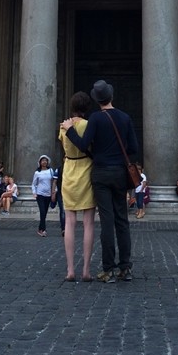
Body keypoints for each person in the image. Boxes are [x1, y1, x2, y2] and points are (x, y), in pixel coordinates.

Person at [61, 79, 138, 283]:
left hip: (101, 174)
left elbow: (84, 144)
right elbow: (133, 149)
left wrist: (69, 130)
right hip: (120, 173)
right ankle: (126, 268)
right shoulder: (124, 117)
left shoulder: (96, 119)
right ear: (111, 97)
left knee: (107, 221)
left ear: (98, 101)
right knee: (122, 220)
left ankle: (108, 269)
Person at [58, 91, 96, 282]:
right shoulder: (88, 125)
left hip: (69, 170)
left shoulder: (64, 127)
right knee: (88, 223)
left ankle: (70, 270)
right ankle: (86, 270)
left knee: (69, 223)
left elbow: (63, 147)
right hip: (86, 170)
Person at [31, 155, 56, 237]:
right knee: (42, 211)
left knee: (44, 212)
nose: (44, 162)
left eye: (45, 160)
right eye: (43, 161)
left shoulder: (51, 171)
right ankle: (43, 230)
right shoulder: (37, 172)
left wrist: (53, 192)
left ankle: (39, 228)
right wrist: (34, 192)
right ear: (40, 162)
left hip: (48, 194)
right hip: (40, 194)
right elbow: (34, 184)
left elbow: (53, 182)